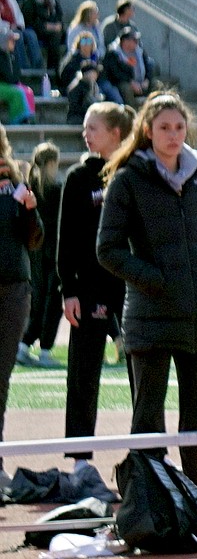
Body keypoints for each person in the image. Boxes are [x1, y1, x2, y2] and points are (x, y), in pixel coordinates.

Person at [97, 91, 197, 491]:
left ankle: (196, 501)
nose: (173, 135)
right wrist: (154, 278)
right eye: (164, 128)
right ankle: (150, 504)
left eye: (179, 127)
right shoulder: (128, 180)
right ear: (148, 131)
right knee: (148, 420)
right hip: (150, 317)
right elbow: (108, 249)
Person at [57, 103, 135, 478]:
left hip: (131, 291)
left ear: (116, 133)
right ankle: (79, 459)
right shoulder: (77, 177)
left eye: (94, 128)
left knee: (143, 374)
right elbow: (66, 241)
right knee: (82, 374)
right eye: (86, 128)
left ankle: (148, 454)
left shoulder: (135, 171)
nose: (86, 134)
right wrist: (67, 289)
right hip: (88, 292)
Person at [0, 125, 43, 485]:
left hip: (13, 288)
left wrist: (29, 208)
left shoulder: (15, 180)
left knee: (0, 379)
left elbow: (34, 239)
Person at [16, 143, 61, 371]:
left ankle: (24, 345)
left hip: (34, 250)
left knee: (38, 299)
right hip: (54, 251)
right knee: (53, 303)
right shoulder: (57, 189)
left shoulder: (29, 186)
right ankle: (44, 350)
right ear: (52, 163)